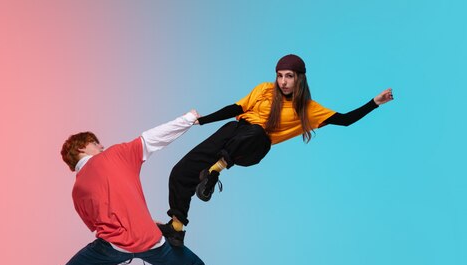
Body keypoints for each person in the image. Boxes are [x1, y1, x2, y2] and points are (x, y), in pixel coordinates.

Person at [158, 54, 394, 246]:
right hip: (233, 132)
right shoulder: (263, 90)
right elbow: (236, 107)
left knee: (257, 133)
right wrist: (202, 120)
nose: (283, 82)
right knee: (181, 171)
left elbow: (345, 120)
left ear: (299, 79)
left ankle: (215, 170)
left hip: (254, 146)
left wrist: (374, 103)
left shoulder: (307, 109)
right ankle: (176, 228)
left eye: (289, 77)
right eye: (280, 76)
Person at [52, 110, 244, 265]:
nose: (102, 145)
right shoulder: (115, 155)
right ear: (81, 149)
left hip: (112, 246)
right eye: (95, 142)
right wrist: (188, 119)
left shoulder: (77, 190)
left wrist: (134, 231)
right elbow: (155, 137)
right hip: (150, 242)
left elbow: (98, 223)